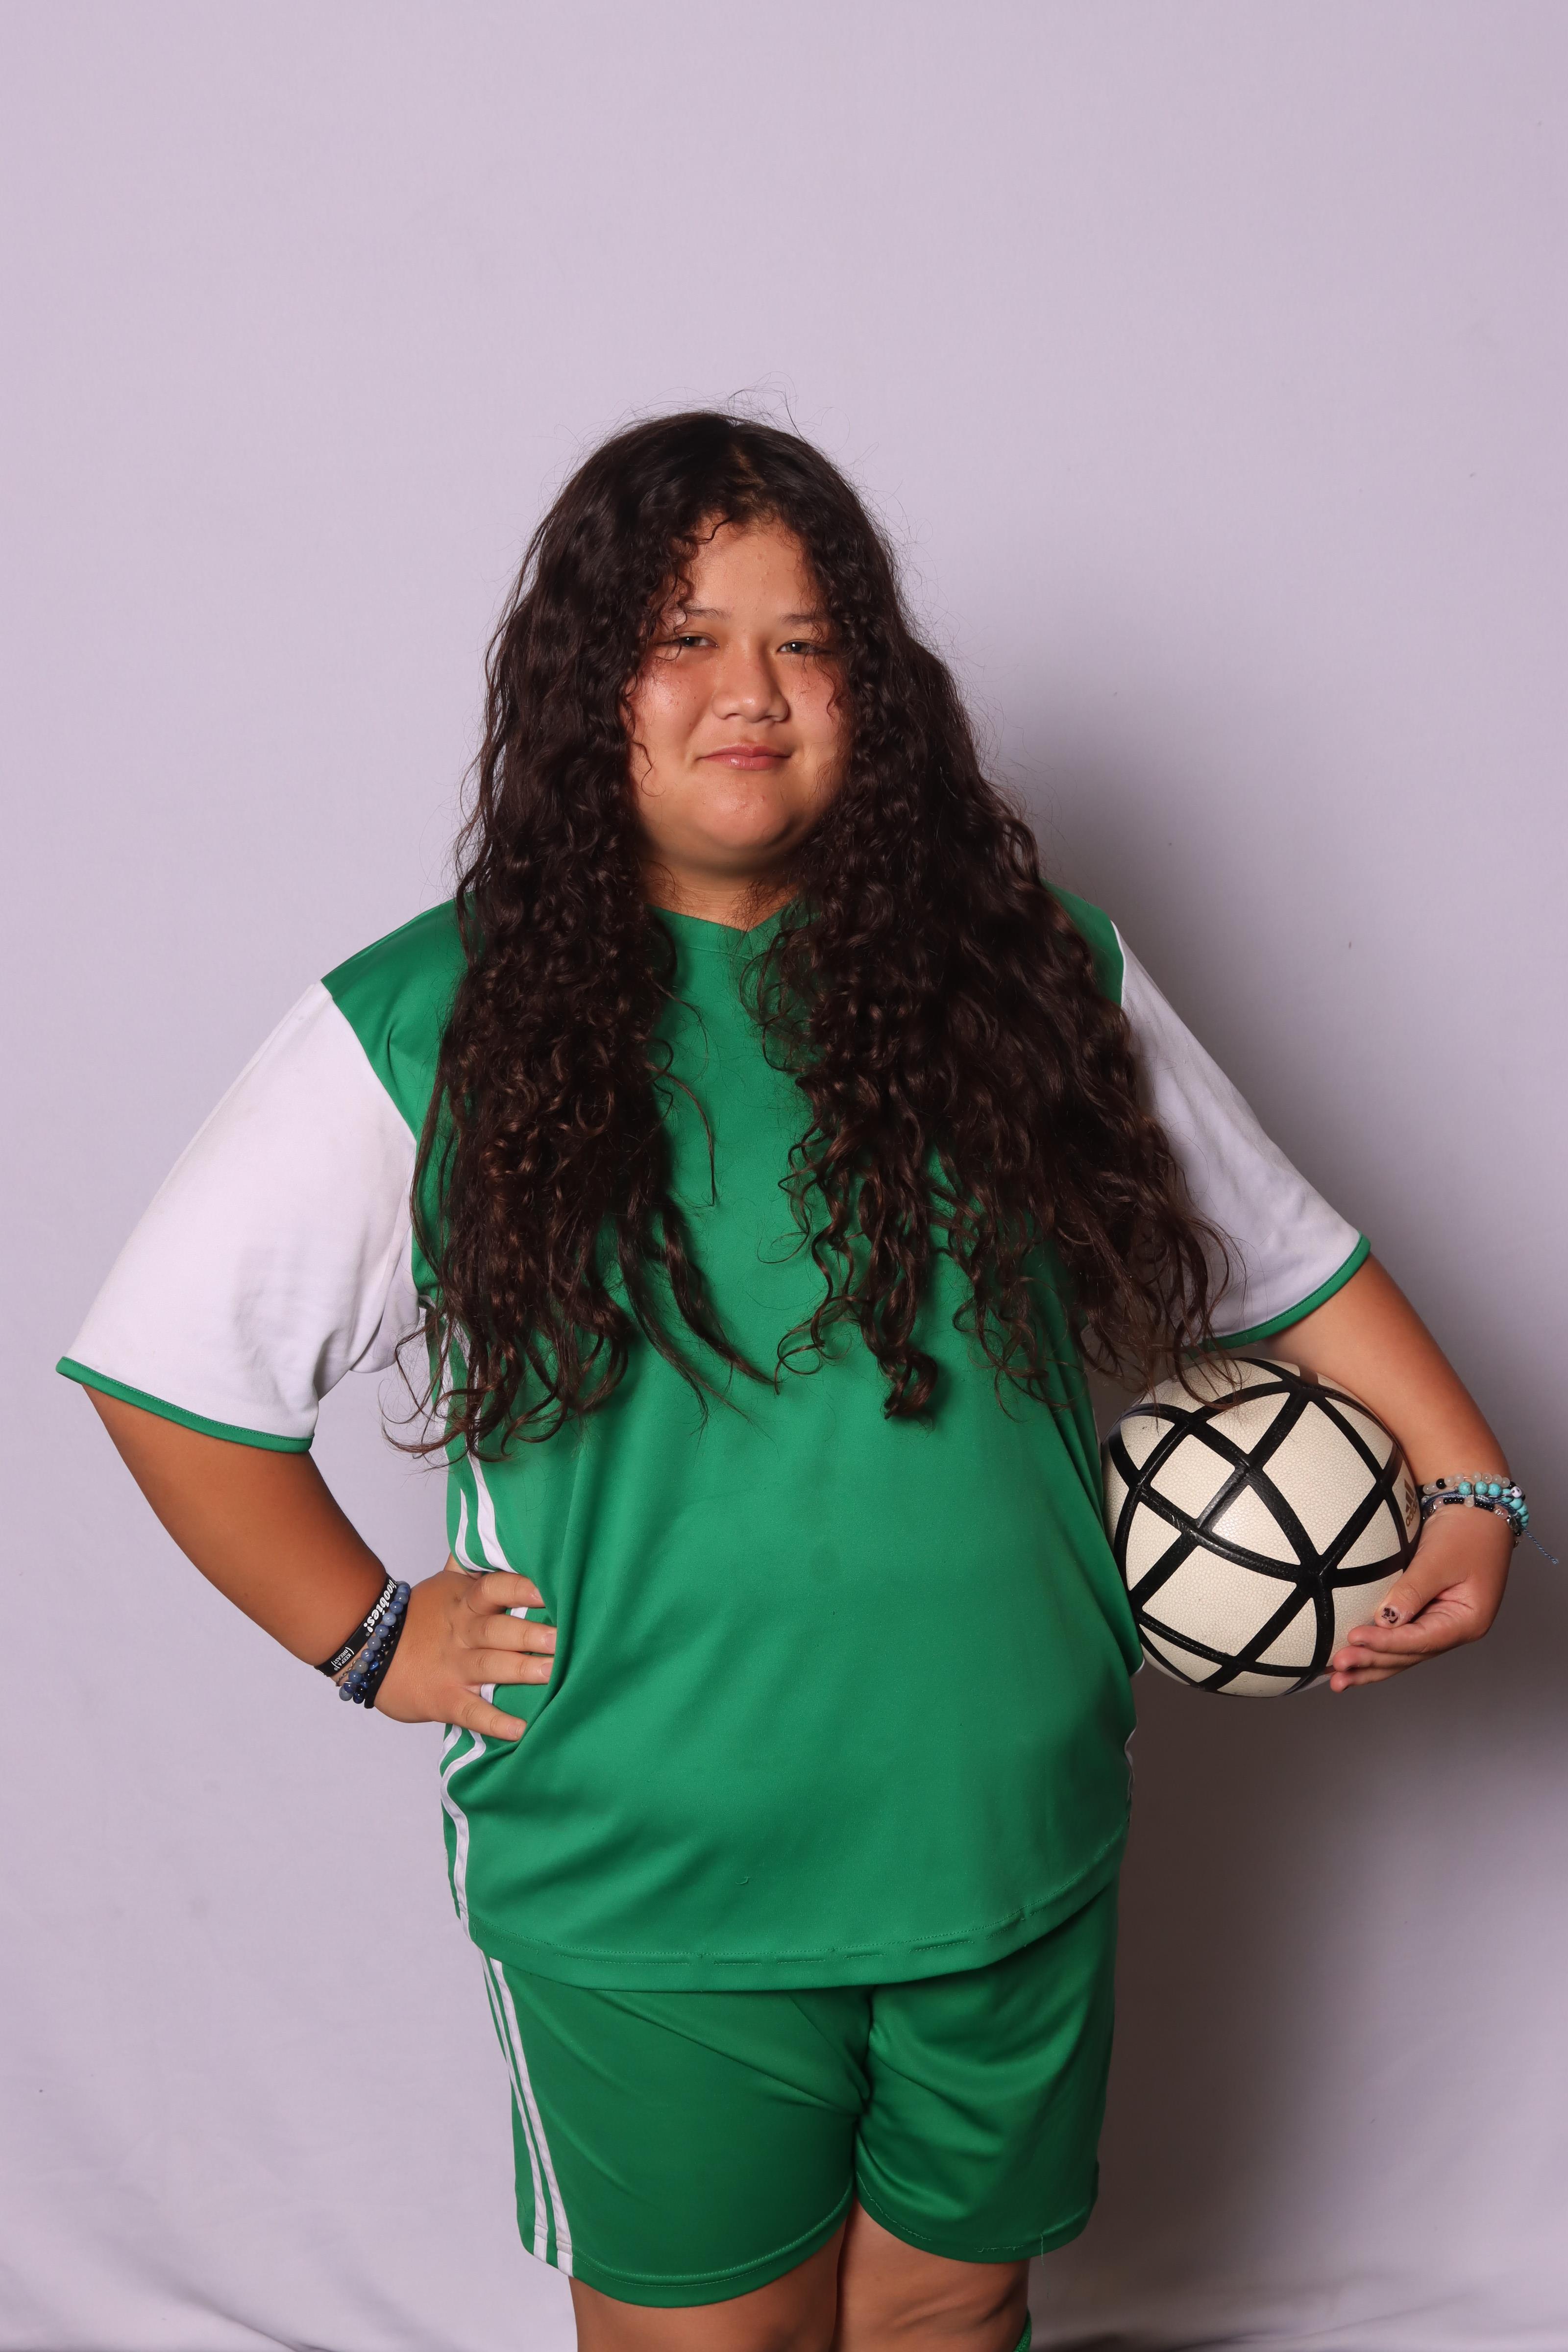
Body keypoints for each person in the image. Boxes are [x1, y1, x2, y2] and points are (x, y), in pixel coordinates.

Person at [60, 413, 1516, 2352]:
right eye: (684, 637)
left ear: (873, 693)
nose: (750, 691)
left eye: (807, 642)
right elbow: (167, 1373)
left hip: (1009, 1830)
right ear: (586, 686)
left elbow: (1285, 1250)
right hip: (652, 1878)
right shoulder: (431, 1018)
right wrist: (372, 1640)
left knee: (947, 2317)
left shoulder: (1031, 974)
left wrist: (1471, 1487)